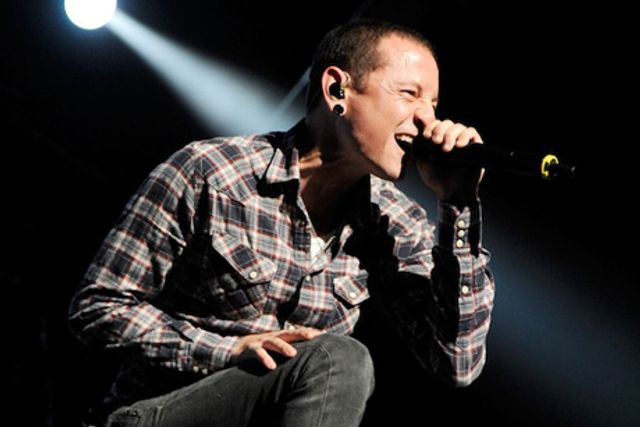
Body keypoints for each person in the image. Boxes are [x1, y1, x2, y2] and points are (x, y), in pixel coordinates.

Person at [69, 19, 495, 427]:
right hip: (159, 412)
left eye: (433, 104)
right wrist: (227, 350)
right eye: (409, 94)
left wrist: (457, 203)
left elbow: (456, 363)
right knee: (338, 358)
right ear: (337, 89)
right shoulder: (211, 172)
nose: (428, 120)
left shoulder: (394, 222)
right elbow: (99, 307)